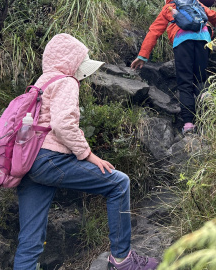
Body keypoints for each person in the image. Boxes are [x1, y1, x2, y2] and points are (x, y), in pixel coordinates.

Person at [13, 33, 159, 270]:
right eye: (80, 62)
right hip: (50, 159)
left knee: (30, 241)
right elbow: (62, 125)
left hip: (28, 161)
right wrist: (88, 155)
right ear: (71, 61)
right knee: (118, 183)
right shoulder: (66, 81)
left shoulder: (40, 82)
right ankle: (122, 260)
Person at [130, 0, 216, 134]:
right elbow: (213, 15)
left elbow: (154, 32)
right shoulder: (195, 2)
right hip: (203, 40)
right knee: (200, 78)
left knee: (185, 82)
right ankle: (207, 110)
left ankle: (188, 124)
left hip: (182, 42)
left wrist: (142, 56)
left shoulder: (169, 8)